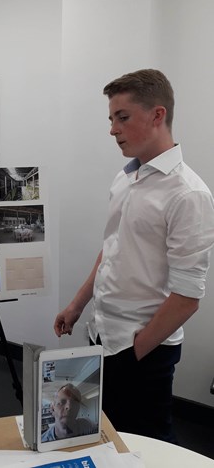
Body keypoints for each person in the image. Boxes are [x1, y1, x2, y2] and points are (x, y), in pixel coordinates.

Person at [54, 69, 214, 443]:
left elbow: (188, 297)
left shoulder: (188, 194)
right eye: (111, 119)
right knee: (102, 435)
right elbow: (111, 249)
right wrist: (78, 305)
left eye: (122, 117)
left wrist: (135, 351)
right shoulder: (125, 178)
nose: (113, 129)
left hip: (142, 350)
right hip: (102, 334)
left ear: (158, 115)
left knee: (144, 444)